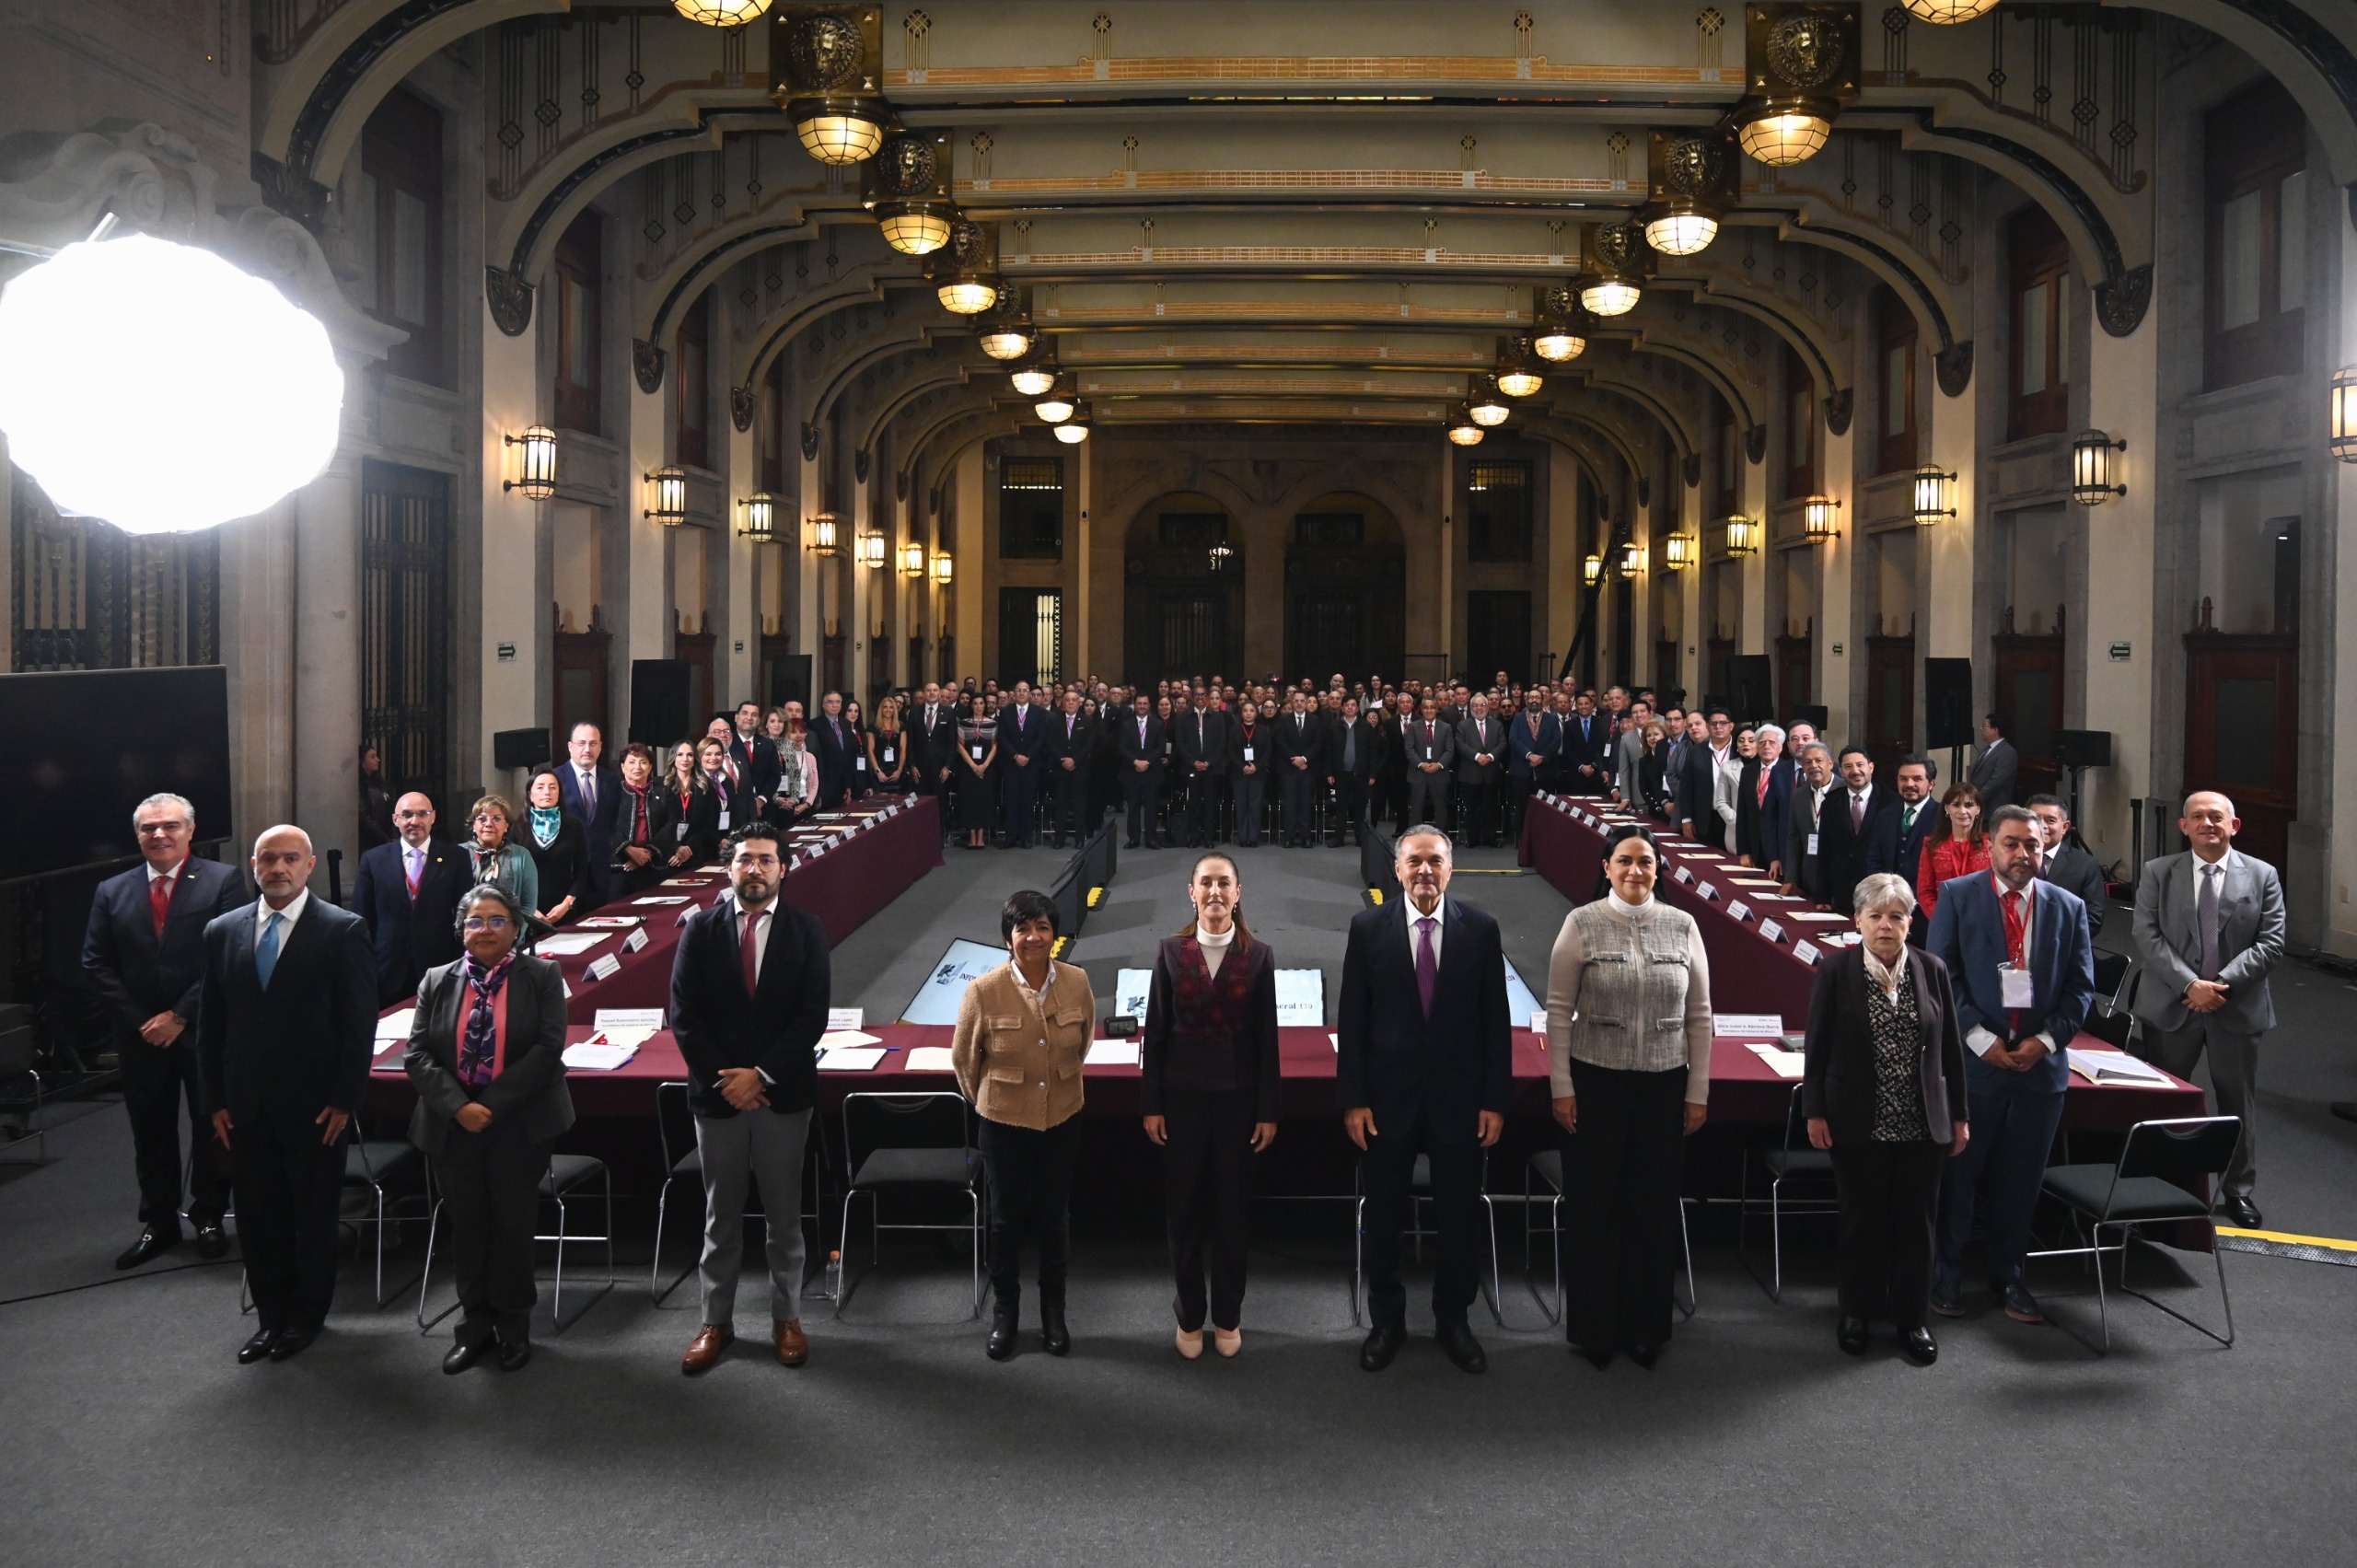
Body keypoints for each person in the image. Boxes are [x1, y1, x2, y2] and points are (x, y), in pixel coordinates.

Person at [197, 826, 375, 1365]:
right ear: (253, 864)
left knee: (312, 1214)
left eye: (290, 859)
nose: (278, 868)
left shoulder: (342, 930)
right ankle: (271, 1317)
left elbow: (358, 1022)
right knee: (256, 1215)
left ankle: (307, 1316)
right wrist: (214, 1101)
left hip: (317, 1106)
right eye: (268, 859)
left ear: (310, 865)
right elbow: (212, 1024)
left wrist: (345, 1097)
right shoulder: (221, 931)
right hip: (245, 1105)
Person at [1337, 827, 1511, 1375]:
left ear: (1451, 867)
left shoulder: (1480, 930)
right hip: (1387, 1103)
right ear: (1397, 869)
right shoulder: (1367, 929)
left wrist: (1494, 1099)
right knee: (1385, 1218)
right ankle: (1387, 1322)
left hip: (1460, 1103)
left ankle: (1453, 1320)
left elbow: (1495, 1024)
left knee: (1459, 1218)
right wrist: (1354, 1100)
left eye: (1435, 861)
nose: (1425, 871)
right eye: (1414, 862)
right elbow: (1353, 1020)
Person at [1544, 823, 1712, 1369]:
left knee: (1652, 1210)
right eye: (1624, 861)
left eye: (1645, 861)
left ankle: (1645, 1329)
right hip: (1596, 1084)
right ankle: (1595, 1329)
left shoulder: (1683, 925)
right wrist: (1562, 1088)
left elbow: (1700, 1015)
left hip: (1664, 1086)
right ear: (1606, 867)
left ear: (1658, 869)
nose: (1635, 871)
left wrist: (1697, 1091)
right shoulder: (1582, 923)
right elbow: (1558, 1012)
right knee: (1595, 1208)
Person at [668, 822, 830, 1376]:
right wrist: (729, 1081)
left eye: (765, 860)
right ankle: (716, 1321)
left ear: (783, 869)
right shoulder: (699, 929)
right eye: (745, 860)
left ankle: (786, 1318)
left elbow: (812, 1016)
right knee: (721, 1218)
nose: (754, 869)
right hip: (719, 1101)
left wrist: (759, 1076)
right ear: (730, 868)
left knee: (785, 1217)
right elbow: (684, 1017)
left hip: (782, 1098)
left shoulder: (807, 930)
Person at [1926, 805, 2095, 1325]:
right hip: (1976, 1065)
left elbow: (2080, 988)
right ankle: (1946, 1272)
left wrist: (2045, 1041)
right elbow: (1942, 976)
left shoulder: (2067, 906)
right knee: (1961, 1176)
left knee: (2021, 1180)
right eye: (2012, 844)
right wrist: (1980, 1039)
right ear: (1990, 845)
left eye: (2033, 846)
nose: (2023, 854)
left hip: (2039, 1070)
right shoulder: (1958, 896)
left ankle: (2010, 1274)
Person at [401, 883, 572, 1374]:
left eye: (498, 920)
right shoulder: (437, 980)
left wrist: (489, 1106)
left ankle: (514, 1327)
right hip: (451, 1125)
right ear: (461, 930)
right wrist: (458, 1107)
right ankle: (474, 1327)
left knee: (513, 1226)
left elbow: (548, 1048)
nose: (486, 930)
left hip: (518, 1123)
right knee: (469, 1228)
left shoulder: (542, 975)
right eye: (475, 921)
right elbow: (417, 1053)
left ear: (517, 928)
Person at [1803, 873, 1969, 1365]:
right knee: (1862, 1220)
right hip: (1856, 1118)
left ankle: (1911, 1318)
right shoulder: (1835, 972)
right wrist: (1814, 1109)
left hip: (1921, 1121)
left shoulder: (1932, 969)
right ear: (1857, 921)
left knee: (1917, 1224)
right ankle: (1856, 1312)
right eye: (1874, 916)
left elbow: (1951, 1053)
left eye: (1896, 916)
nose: (1885, 926)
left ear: (1910, 922)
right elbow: (1817, 1047)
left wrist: (1959, 1116)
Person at [82, 792, 244, 1270]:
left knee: (211, 1125)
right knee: (149, 1130)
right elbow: (95, 964)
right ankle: (159, 1221)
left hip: (202, 1031)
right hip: (140, 1038)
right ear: (137, 835)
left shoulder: (222, 881)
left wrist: (180, 1016)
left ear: (190, 831)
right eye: (150, 828)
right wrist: (142, 1021)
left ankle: (210, 1215)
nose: (160, 835)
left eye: (170, 826)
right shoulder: (112, 890)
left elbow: (229, 957)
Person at [1141, 853, 1281, 1359]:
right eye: (1207, 883)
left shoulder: (1260, 955)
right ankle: (1189, 1316)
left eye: (1225, 883)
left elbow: (1268, 1041)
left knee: (1231, 1214)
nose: (1216, 892)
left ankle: (1227, 1315)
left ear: (1238, 893)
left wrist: (1268, 1110)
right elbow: (1154, 1034)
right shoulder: (1170, 952)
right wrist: (1151, 1104)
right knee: (1183, 1213)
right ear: (1191, 892)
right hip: (1180, 1107)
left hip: (1239, 1109)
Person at [952, 889, 1097, 1360]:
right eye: (1023, 929)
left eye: (1043, 928)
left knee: (1055, 1218)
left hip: (1062, 1117)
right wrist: (995, 1102)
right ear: (1007, 937)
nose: (1033, 937)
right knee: (1005, 1220)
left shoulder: (1076, 981)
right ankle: (1006, 1314)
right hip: (1004, 1123)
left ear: (1055, 935)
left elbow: (1084, 1042)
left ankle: (1054, 1312)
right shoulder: (983, 990)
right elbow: (963, 1061)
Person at [2131, 791, 2285, 1228]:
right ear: (2184, 826)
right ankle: (2161, 1181)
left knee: (2238, 1102)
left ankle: (2237, 1190)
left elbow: (2272, 943)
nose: (2207, 824)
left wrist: (2220, 986)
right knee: (2165, 1101)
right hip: (2173, 1004)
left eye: (2216, 817)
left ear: (2233, 826)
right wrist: (2190, 984)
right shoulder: (2157, 872)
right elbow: (2146, 933)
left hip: (2235, 1007)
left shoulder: (2262, 875)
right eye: (2197, 817)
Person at [353, 791, 467, 1006]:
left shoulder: (455, 858)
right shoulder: (373, 860)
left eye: (422, 814)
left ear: (433, 817)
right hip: (387, 970)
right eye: (407, 815)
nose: (415, 821)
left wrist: (459, 963)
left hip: (440, 966)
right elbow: (363, 918)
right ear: (396, 820)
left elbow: (464, 915)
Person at [1817, 749, 1892, 915]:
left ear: (1871, 767)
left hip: (1878, 893)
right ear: (1841, 771)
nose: (1855, 771)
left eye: (1860, 765)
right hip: (1841, 894)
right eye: (1848, 766)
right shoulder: (1830, 802)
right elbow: (1824, 851)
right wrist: (1823, 896)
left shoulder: (1890, 802)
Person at [1866, 754, 1939, 919]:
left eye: (1917, 779)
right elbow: (1874, 860)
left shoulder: (1943, 819)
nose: (1909, 784)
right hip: (1886, 907)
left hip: (1924, 913)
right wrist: (1886, 895)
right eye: (1903, 779)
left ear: (1931, 784)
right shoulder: (1885, 815)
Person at [557, 723, 622, 904]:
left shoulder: (611, 780)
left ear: (600, 747)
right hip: (567, 872)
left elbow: (612, 822)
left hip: (600, 871)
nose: (587, 749)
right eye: (582, 743)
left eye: (593, 744)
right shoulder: (554, 780)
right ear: (570, 747)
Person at [2026, 794, 2109, 937]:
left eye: (2050, 820)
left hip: (2064, 949)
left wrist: (2053, 942)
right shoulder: (2011, 858)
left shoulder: (2085, 865)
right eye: (2035, 819)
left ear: (2064, 827)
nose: (2042, 826)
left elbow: (2092, 920)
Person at [460, 794, 540, 934]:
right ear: (474, 825)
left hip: (508, 938)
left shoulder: (521, 856)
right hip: (466, 937)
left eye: (496, 818)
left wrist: (514, 934)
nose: (488, 824)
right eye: (482, 819)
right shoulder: (458, 854)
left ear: (506, 826)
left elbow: (528, 904)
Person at [521, 769, 591, 926]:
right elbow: (511, 875)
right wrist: (530, 909)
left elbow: (582, 870)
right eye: (540, 787)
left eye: (553, 787)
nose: (547, 792)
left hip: (564, 909)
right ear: (530, 795)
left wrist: (567, 904)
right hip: (526, 912)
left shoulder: (573, 827)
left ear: (559, 793)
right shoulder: (518, 828)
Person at [1914, 783, 1989, 923]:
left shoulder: (1990, 845)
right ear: (1946, 809)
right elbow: (1925, 892)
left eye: (1968, 805)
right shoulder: (1931, 845)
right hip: (1943, 923)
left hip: (1981, 923)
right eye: (1956, 805)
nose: (1962, 811)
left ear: (1978, 810)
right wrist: (1943, 918)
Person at [1736, 723, 1796, 875]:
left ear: (1781, 747)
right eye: (1762, 743)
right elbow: (1742, 812)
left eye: (1772, 743)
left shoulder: (1789, 772)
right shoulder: (1748, 771)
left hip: (1779, 847)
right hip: (1754, 845)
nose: (1766, 746)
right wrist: (1744, 851)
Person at [1173, 689, 1231, 847]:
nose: (1200, 697)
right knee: (1193, 804)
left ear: (1206, 698)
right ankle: (1194, 836)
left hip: (1212, 768)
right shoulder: (1182, 717)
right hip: (1191, 768)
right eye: (1197, 695)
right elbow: (1181, 743)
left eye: (1203, 695)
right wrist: (1194, 762)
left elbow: (1222, 742)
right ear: (1192, 697)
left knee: (1210, 804)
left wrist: (1209, 762)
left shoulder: (1217, 717)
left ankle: (1208, 837)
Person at [1782, 742, 1837, 901]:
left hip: (1837, 878)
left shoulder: (1844, 791)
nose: (1813, 766)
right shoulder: (1798, 795)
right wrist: (1791, 878)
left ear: (1830, 763)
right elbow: (1793, 839)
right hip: (1809, 876)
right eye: (1807, 762)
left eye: (1819, 761)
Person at [1452, 693, 1506, 848]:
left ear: (1488, 707)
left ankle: (1490, 839)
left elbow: (1502, 744)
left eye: (1482, 705)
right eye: (1475, 705)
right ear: (1471, 708)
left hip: (1491, 773)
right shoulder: (1463, 725)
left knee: (1490, 808)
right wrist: (1477, 756)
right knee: (1471, 809)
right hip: (1470, 774)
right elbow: (1460, 744)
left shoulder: (1497, 725)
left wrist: (1489, 756)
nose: (1479, 708)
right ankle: (1472, 839)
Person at [1507, 693, 1561, 842]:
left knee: (1544, 807)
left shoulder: (1552, 719)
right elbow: (1513, 739)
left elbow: (1556, 741)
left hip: (1545, 771)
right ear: (1526, 701)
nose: (1534, 701)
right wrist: (1529, 755)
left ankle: (1542, 839)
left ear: (1542, 701)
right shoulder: (1518, 718)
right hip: (1522, 770)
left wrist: (1541, 758)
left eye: (1537, 698)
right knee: (1522, 806)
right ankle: (1522, 839)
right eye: (1531, 698)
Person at [1331, 694, 1381, 847]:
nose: (1350, 708)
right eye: (1347, 705)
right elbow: (1329, 751)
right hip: (1341, 773)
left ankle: (1360, 838)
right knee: (1341, 807)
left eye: (1353, 705)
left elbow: (1374, 752)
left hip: (1361, 774)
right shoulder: (1334, 726)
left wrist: (1373, 774)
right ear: (1342, 707)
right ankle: (1339, 838)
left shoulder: (1366, 727)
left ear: (1357, 708)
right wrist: (1329, 772)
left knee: (1360, 807)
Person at [1118, 691, 1166, 850]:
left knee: (1151, 807)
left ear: (1149, 706)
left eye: (1145, 704)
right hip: (1131, 772)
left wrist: (1147, 762)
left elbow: (1161, 747)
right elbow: (1122, 747)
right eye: (1139, 703)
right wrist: (1135, 761)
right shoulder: (1126, 724)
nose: (1142, 706)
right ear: (1135, 705)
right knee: (1133, 807)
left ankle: (1151, 838)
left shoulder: (1158, 724)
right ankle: (1134, 838)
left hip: (1152, 772)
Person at [1402, 695, 1455, 830]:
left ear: (1437, 709)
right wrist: (1420, 764)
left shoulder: (1446, 727)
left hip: (1439, 773)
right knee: (1416, 809)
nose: (1429, 710)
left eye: (1432, 707)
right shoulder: (1412, 727)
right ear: (1421, 709)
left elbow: (1450, 750)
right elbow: (1409, 749)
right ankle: (1415, 840)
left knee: (1441, 809)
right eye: (1426, 707)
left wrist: (1439, 765)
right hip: (1418, 773)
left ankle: (1441, 839)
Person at [1277, 691, 1322, 847]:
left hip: (1307, 768)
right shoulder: (1283, 720)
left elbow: (1318, 743)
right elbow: (1280, 742)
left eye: (1302, 701)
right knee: (1289, 804)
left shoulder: (1315, 721)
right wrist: (1295, 759)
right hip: (1289, 768)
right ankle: (1289, 837)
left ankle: (1305, 837)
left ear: (1306, 702)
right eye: (1296, 701)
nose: (1299, 703)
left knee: (1305, 803)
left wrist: (1304, 759)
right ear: (1292, 702)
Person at [954, 692, 999, 851]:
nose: (979, 706)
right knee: (970, 801)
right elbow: (960, 746)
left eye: (981, 703)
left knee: (984, 801)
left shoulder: (992, 723)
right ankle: (971, 834)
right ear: (971, 706)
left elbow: (995, 745)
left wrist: (984, 765)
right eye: (976, 703)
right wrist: (973, 765)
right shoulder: (964, 724)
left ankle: (981, 835)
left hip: (987, 767)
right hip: (968, 767)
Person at [1229, 699, 1269, 847]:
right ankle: (1243, 837)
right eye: (1245, 711)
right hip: (1239, 773)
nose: (1248, 714)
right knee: (1241, 805)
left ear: (1256, 713)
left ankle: (1253, 837)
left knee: (1255, 805)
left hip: (1257, 773)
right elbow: (1230, 751)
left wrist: (1256, 766)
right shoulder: (1234, 730)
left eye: (1252, 711)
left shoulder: (1263, 730)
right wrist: (1242, 767)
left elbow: (1267, 751)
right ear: (1241, 713)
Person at [911, 683, 958, 801]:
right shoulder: (915, 712)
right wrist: (912, 765)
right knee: (920, 805)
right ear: (924, 693)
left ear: (939, 693)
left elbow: (952, 742)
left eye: (935, 690)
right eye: (929, 690)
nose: (932, 693)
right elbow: (910, 741)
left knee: (940, 803)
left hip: (940, 768)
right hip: (920, 769)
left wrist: (948, 766)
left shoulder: (948, 712)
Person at [810, 691, 856, 807]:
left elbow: (848, 755)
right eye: (830, 702)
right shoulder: (815, 725)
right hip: (825, 783)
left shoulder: (845, 724)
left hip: (842, 784)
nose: (834, 705)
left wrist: (848, 784)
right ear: (823, 704)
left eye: (838, 702)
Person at [1968, 713, 2018, 816]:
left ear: (1995, 729)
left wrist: (1977, 798)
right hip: (1979, 806)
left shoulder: (2007, 752)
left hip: (1993, 808)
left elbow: (1997, 781)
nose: (1980, 729)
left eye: (1984, 726)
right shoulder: (1987, 749)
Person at [866, 697, 910, 796]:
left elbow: (903, 749)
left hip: (896, 769)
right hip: (880, 769)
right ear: (881, 709)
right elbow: (870, 751)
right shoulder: (873, 727)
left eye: (891, 707)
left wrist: (899, 770)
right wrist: (878, 771)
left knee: (896, 803)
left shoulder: (901, 726)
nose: (888, 710)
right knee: (882, 801)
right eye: (885, 707)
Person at [1635, 719, 1674, 821]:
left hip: (1676, 808)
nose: (1652, 738)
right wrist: (1660, 806)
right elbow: (1644, 788)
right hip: (1657, 811)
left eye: (1656, 734)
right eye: (1649, 735)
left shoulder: (1673, 756)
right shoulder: (1644, 761)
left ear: (1664, 736)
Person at [359, 743, 395, 851]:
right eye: (372, 757)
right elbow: (364, 817)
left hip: (384, 833)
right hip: (370, 840)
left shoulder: (377, 781)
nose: (378, 760)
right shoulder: (360, 785)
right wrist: (384, 838)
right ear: (361, 761)